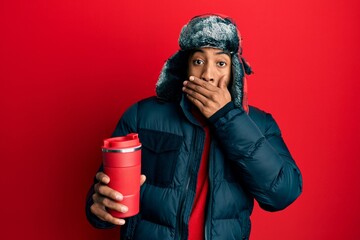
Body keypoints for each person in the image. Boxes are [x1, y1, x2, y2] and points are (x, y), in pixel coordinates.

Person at [85, 14, 303, 240]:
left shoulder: (259, 124)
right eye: (198, 61)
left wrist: (227, 117)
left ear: (234, 73)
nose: (208, 75)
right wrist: (100, 207)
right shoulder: (141, 116)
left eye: (221, 63)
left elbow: (282, 194)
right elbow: (104, 194)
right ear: (185, 67)